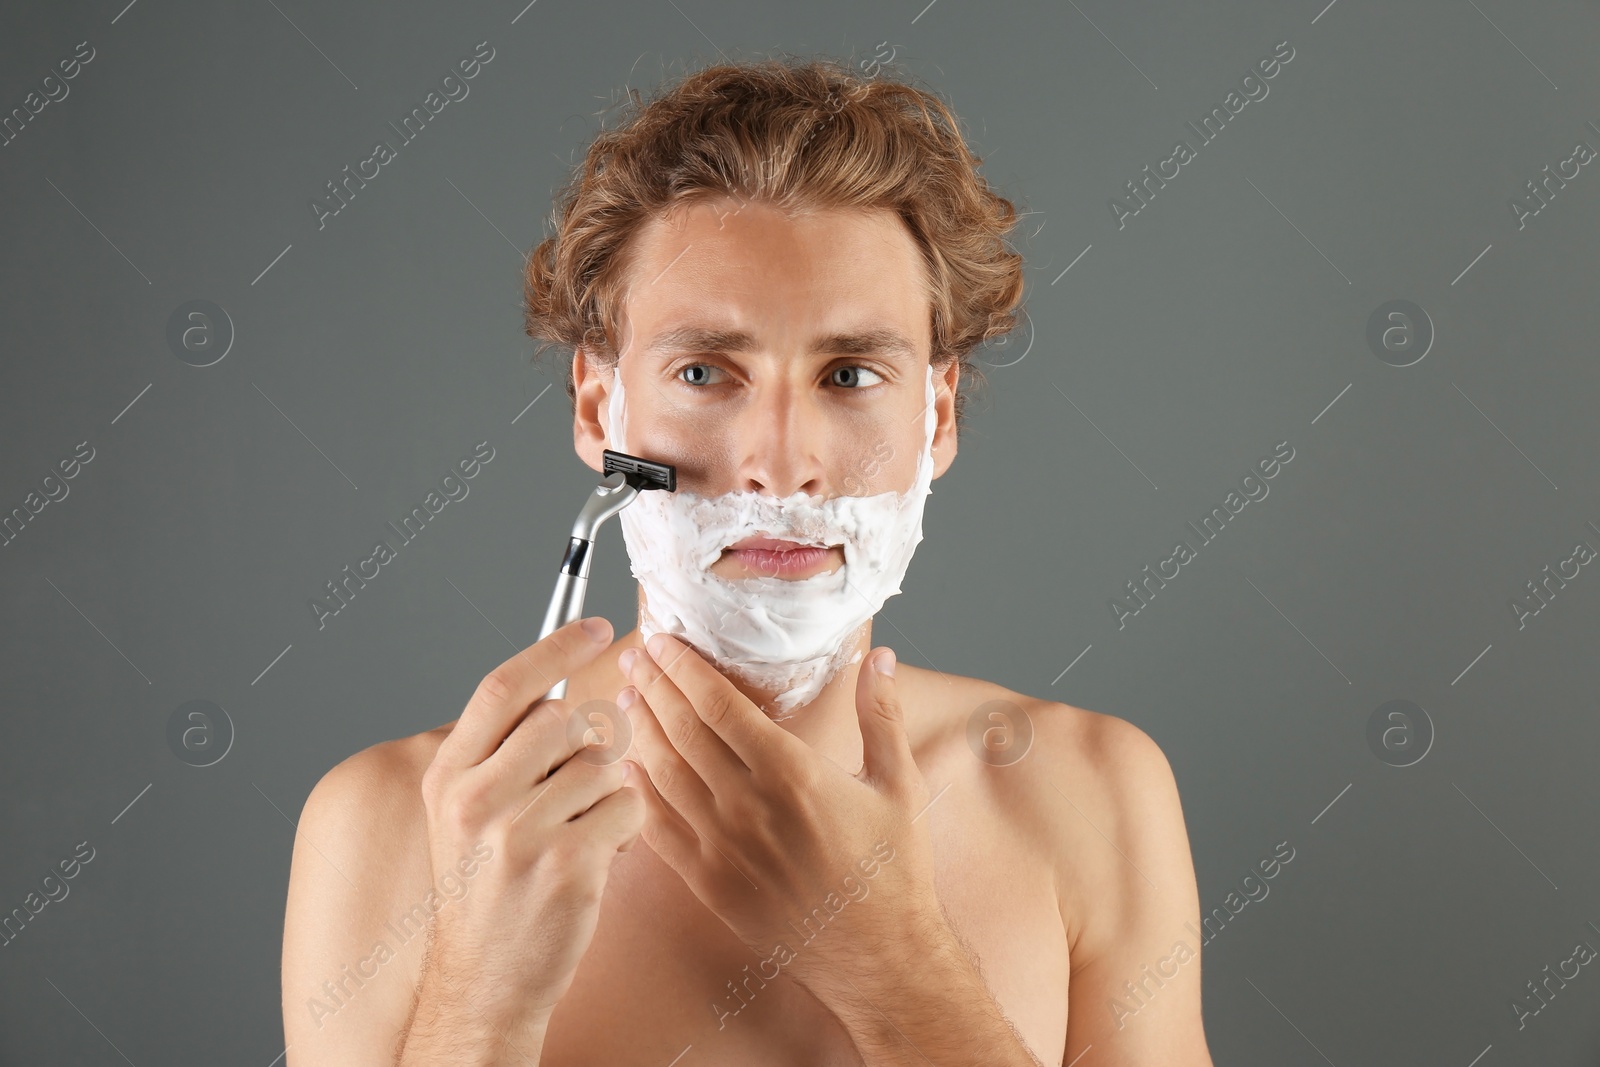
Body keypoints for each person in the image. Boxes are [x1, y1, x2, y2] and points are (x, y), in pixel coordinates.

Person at [281, 55, 1214, 1066]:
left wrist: (897, 966)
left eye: (849, 373)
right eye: (702, 372)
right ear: (602, 409)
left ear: (934, 415)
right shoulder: (394, 826)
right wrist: (484, 992)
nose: (781, 466)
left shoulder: (1085, 793)